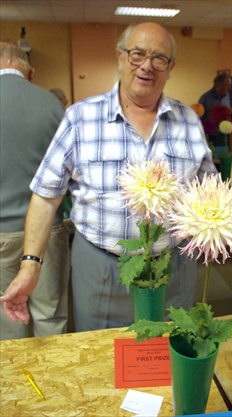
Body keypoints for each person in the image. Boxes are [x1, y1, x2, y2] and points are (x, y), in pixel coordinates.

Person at [0, 23, 217, 332]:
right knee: (101, 357)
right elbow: (46, 197)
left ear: (170, 68)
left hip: (174, 267)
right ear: (120, 57)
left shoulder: (189, 122)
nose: (146, 66)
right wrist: (29, 266)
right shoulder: (81, 118)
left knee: (165, 352)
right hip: (102, 268)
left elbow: (209, 192)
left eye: (159, 58)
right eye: (137, 54)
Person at [0, 43, 70, 340]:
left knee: (8, 318)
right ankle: (54, 382)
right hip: (47, 233)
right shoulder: (51, 104)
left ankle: (16, 383)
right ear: (29, 69)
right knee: (50, 315)